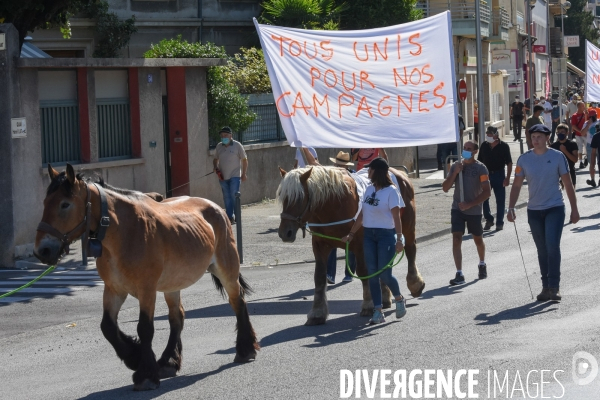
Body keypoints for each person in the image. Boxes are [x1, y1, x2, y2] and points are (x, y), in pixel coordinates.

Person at [507, 124, 579, 302]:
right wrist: (510, 207)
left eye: (539, 136)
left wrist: (574, 209)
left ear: (547, 138)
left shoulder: (557, 156)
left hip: (554, 207)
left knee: (552, 246)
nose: (535, 140)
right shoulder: (524, 159)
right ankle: (545, 287)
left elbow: (568, 184)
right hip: (534, 210)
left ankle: (554, 287)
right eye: (533, 137)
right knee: (542, 249)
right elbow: (516, 185)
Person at [341, 157, 407, 324]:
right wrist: (351, 234)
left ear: (377, 171)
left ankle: (399, 298)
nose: (367, 172)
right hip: (369, 235)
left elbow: (397, 217)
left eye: (369, 169)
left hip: (386, 235)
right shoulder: (369, 190)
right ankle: (378, 311)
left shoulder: (391, 191)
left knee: (384, 273)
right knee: (372, 274)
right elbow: (362, 215)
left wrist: (399, 239)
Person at [300, 149, 358, 284]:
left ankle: (349, 273)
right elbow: (314, 163)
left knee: (351, 244)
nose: (338, 167)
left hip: (348, 217)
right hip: (332, 217)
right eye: (337, 164)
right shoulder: (330, 175)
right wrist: (304, 148)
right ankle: (330, 274)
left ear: (346, 167)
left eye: (341, 165)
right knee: (330, 245)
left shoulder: (353, 177)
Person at [442, 141, 491, 285]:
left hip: (474, 210)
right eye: (465, 148)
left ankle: (482, 263)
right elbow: (445, 187)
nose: (466, 151)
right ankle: (459, 273)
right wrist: (455, 172)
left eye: (469, 149)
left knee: (478, 239)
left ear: (475, 151)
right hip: (457, 209)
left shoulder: (481, 168)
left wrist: (469, 204)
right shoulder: (456, 166)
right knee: (456, 238)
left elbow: (487, 192)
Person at [477, 126, 512, 231]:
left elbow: (509, 163)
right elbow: (479, 161)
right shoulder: (484, 145)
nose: (488, 136)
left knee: (500, 200)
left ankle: (499, 223)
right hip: (485, 175)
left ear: (496, 135)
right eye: (487, 134)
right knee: (484, 198)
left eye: (490, 134)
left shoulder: (504, 146)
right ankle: (489, 219)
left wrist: (508, 177)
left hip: (499, 175)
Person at [213, 126, 248, 224]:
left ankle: (238, 216)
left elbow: (244, 160)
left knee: (234, 195)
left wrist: (244, 174)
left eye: (226, 135)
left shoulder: (237, 145)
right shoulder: (219, 146)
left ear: (231, 135)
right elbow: (215, 159)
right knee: (226, 197)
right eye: (222, 135)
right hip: (223, 177)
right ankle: (229, 217)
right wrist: (216, 167)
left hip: (235, 176)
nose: (223, 137)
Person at [550, 124, 579, 189]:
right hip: (557, 172)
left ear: (567, 133)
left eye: (562, 132)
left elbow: (575, 159)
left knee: (572, 192)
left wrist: (565, 151)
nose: (560, 134)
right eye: (558, 132)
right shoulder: (553, 146)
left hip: (570, 170)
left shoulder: (572, 144)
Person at [570, 101, 588, 168]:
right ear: (579, 107)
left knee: (587, 147)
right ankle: (580, 162)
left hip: (586, 134)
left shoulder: (586, 114)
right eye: (582, 106)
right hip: (578, 135)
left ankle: (586, 157)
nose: (584, 107)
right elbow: (574, 126)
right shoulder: (574, 116)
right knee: (579, 148)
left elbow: (588, 123)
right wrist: (580, 131)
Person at [582, 110, 599, 184]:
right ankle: (592, 179)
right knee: (592, 163)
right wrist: (588, 125)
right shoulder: (586, 123)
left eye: (594, 116)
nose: (593, 118)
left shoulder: (599, 122)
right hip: (590, 145)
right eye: (591, 116)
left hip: (599, 145)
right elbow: (582, 133)